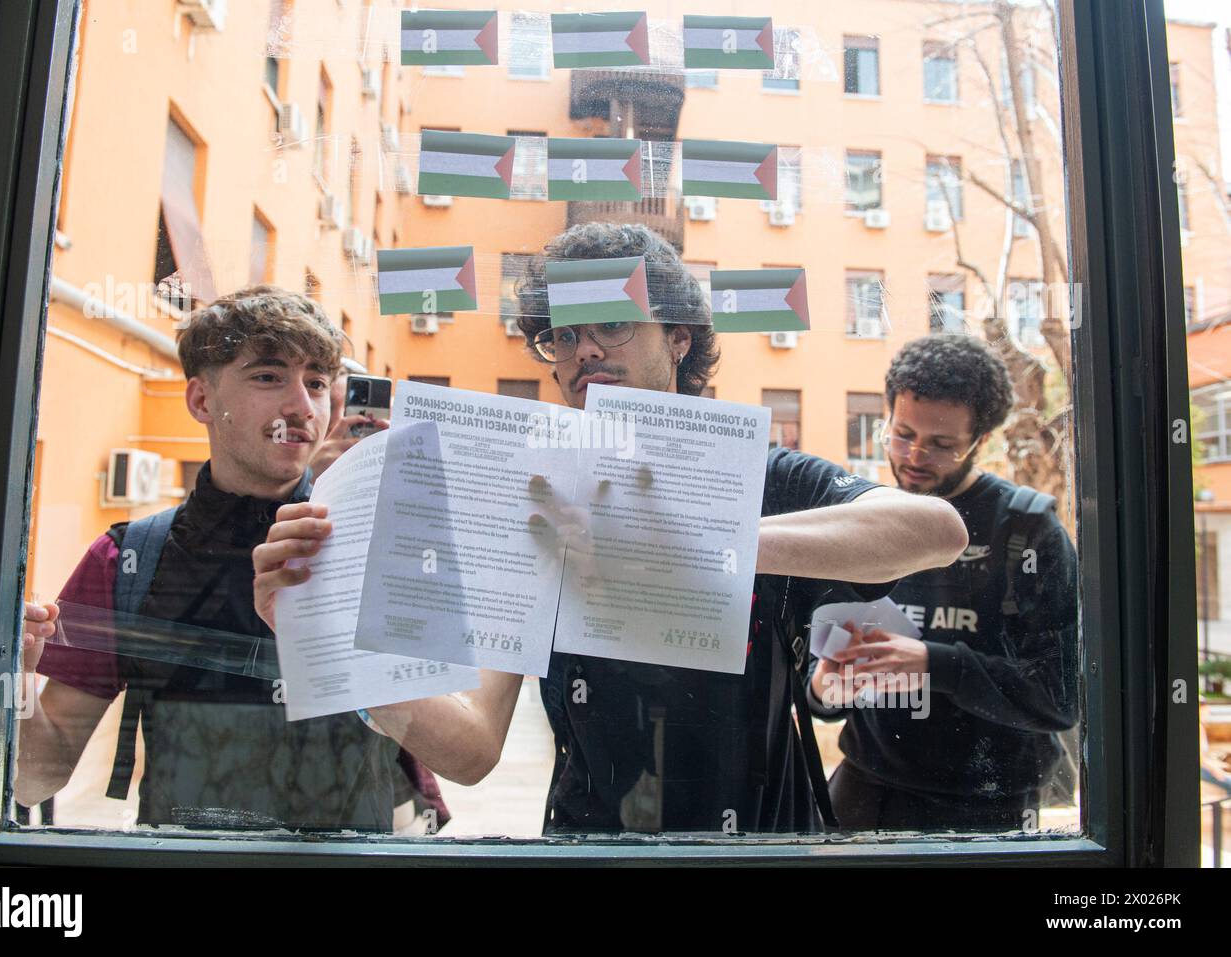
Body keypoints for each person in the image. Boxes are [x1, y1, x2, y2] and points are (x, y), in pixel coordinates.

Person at [254, 223, 969, 834]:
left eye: (612, 325)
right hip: (587, 855)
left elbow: (932, 528)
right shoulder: (537, 491)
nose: (584, 352)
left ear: (680, 337)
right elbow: (471, 750)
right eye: (563, 335)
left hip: (756, 855)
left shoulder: (753, 474)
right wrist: (320, 631)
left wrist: (702, 544)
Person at [16, 286, 463, 829]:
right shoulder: (124, 562)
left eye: (318, 383)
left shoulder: (378, 547)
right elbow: (35, 778)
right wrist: (15, 681)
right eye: (269, 376)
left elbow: (460, 746)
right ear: (202, 401)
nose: (302, 406)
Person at [810, 334, 1079, 831]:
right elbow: (820, 689)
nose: (914, 456)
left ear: (980, 442)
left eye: (941, 446)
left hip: (985, 803)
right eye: (902, 433)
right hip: (865, 790)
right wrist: (825, 686)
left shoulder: (1026, 531)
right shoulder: (864, 520)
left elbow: (1059, 696)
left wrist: (935, 663)